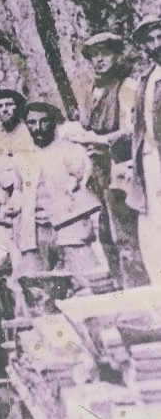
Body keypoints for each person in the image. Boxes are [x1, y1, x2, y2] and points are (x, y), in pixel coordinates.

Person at [10, 102, 110, 287]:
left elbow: (85, 185)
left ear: (53, 123)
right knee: (35, 286)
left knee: (88, 282)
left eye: (44, 121)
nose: (38, 128)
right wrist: (12, 206)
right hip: (36, 232)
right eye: (31, 123)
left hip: (69, 227)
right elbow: (18, 190)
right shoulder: (20, 157)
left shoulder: (71, 150)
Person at [78, 31, 144, 287]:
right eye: (93, 56)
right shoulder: (93, 90)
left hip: (122, 167)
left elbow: (132, 130)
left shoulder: (126, 86)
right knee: (106, 233)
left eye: (104, 54)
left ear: (117, 55)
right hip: (99, 170)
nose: (99, 60)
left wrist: (102, 140)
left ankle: (138, 291)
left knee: (126, 233)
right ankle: (120, 287)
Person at [125, 15, 161, 284]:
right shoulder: (146, 79)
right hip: (149, 159)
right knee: (151, 220)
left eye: (160, 36)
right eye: (150, 39)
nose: (156, 43)